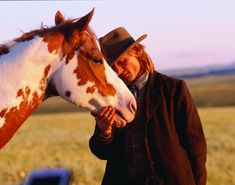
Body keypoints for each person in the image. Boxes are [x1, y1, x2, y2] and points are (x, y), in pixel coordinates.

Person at [89, 27, 207, 185]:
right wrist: (104, 133)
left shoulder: (173, 89)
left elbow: (195, 145)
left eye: (122, 61)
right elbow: (102, 152)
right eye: (112, 66)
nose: (118, 70)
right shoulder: (110, 96)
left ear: (137, 52)